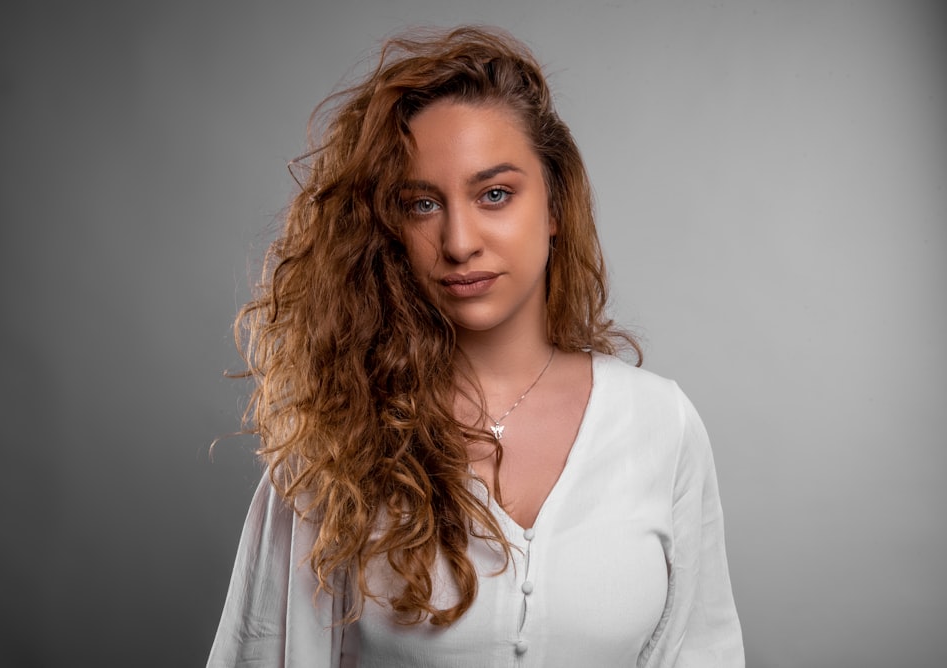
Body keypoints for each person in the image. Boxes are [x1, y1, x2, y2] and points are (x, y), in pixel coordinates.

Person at [208, 25, 743, 667]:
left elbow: (702, 652)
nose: (460, 241)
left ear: (553, 206)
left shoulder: (661, 426)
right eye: (423, 203)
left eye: (494, 194)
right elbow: (263, 653)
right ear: (389, 228)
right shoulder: (334, 442)